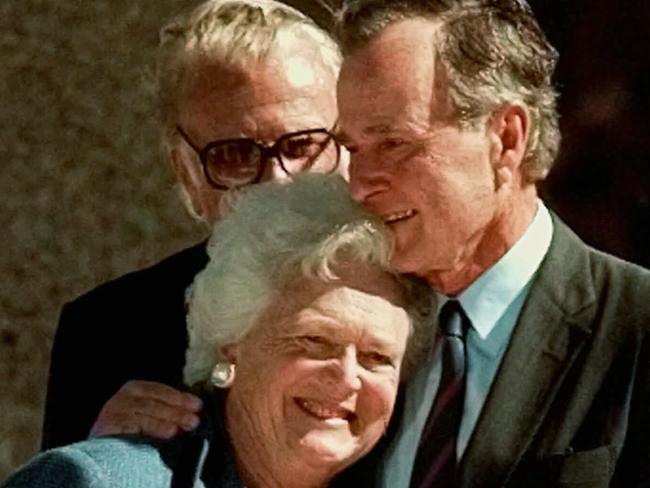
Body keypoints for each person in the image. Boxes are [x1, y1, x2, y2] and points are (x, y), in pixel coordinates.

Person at [334, 0, 650, 487]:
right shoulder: (352, 318)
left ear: (506, 138)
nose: (359, 184)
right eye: (353, 149)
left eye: (393, 143)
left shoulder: (634, 325)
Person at [41, 0, 345, 449]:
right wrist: (99, 455)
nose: (278, 181)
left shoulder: (426, 304)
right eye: (235, 156)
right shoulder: (107, 333)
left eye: (303, 146)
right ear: (185, 173)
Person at [3, 174, 430, 488]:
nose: (347, 377)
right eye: (314, 341)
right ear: (232, 342)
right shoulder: (97, 481)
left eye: (377, 357)